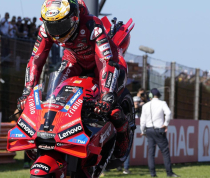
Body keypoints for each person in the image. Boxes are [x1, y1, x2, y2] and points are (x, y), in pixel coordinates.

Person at [16, 0, 131, 159]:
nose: (56, 32)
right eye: (52, 26)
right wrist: (27, 91)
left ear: (74, 18)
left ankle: (122, 134)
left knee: (111, 107)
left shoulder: (93, 25)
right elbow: (36, 59)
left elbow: (106, 61)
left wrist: (106, 95)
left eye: (60, 26)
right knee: (55, 95)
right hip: (74, 60)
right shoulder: (45, 29)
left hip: (108, 62)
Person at [140, 88, 179, 178]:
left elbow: (142, 120)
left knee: (151, 152)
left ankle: (152, 174)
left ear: (150, 96)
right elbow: (168, 113)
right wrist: (165, 124)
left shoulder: (145, 106)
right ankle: (169, 173)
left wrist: (142, 131)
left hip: (149, 130)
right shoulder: (162, 103)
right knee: (165, 152)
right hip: (159, 129)